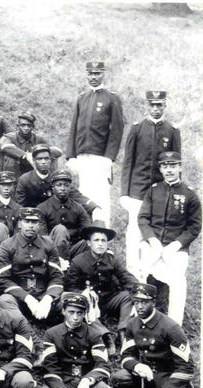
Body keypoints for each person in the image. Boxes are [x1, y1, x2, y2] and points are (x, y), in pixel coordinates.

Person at [121, 91, 182, 275]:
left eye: (159, 105)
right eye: (152, 105)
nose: (155, 109)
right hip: (137, 192)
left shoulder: (172, 131)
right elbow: (128, 162)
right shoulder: (137, 128)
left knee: (154, 235)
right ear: (146, 106)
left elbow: (177, 164)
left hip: (159, 194)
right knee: (134, 234)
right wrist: (125, 193)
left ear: (165, 105)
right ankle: (132, 274)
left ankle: (150, 275)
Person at [137, 151, 201, 326]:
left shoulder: (190, 194)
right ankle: (138, 319)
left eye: (173, 166)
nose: (169, 170)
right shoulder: (153, 190)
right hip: (153, 244)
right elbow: (143, 218)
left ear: (179, 167)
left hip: (176, 248)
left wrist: (176, 244)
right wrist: (152, 239)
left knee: (178, 282)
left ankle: (174, 326)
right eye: (165, 166)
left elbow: (194, 226)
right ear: (161, 169)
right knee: (140, 275)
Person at [66, 61, 125, 226]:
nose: (93, 77)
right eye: (90, 73)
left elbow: (117, 130)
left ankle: (103, 234)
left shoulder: (111, 98)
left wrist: (109, 157)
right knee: (84, 195)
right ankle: (87, 235)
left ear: (103, 74)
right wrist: (71, 155)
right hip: (82, 157)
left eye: (97, 73)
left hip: (100, 158)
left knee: (101, 198)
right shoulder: (81, 98)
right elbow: (74, 128)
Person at [65, 221, 137, 356]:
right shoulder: (78, 261)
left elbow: (126, 277)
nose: (100, 244)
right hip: (89, 303)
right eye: (96, 240)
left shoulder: (112, 259)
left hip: (109, 300)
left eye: (103, 240)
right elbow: (71, 286)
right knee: (81, 307)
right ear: (88, 243)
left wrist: (138, 291)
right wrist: (84, 294)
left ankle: (124, 334)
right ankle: (105, 336)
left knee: (127, 296)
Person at [0, 207, 64, 324]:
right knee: (4, 301)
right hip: (19, 297)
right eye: (27, 221)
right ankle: (24, 327)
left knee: (71, 299)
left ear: (39, 225)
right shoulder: (7, 245)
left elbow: (57, 276)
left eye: (34, 222)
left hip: (43, 294)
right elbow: (3, 279)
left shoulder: (49, 244)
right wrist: (27, 298)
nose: (30, 225)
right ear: (19, 223)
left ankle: (100, 334)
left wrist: (48, 299)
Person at [14, 143, 101, 218]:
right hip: (35, 218)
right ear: (33, 161)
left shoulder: (58, 176)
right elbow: (20, 205)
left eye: (46, 158)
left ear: (50, 160)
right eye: (39, 159)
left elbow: (75, 195)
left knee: (87, 214)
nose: (43, 162)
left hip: (56, 217)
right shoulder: (25, 179)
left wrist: (94, 207)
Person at [36, 169, 92, 262]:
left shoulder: (78, 207)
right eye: (59, 185)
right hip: (52, 251)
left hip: (74, 248)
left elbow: (87, 230)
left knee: (91, 240)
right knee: (60, 230)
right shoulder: (42, 208)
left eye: (66, 185)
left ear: (70, 188)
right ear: (53, 188)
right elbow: (43, 238)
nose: (63, 188)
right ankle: (61, 267)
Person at [0, 112, 61, 176]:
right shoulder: (9, 136)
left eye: (29, 125)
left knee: (50, 157)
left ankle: (51, 181)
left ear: (33, 127)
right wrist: (25, 155)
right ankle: (10, 181)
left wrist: (36, 154)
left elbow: (58, 151)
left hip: (32, 171)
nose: (26, 128)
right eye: (23, 125)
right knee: (10, 157)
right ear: (18, 126)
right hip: (14, 172)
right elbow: (4, 146)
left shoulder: (38, 138)